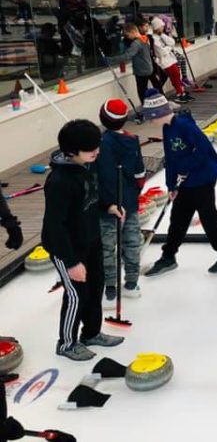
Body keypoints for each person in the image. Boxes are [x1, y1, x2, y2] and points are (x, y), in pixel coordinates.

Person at [41, 119, 126, 360]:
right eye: (91, 149)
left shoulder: (86, 166)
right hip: (67, 248)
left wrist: (109, 206)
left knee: (95, 288)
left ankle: (91, 333)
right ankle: (67, 343)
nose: (97, 152)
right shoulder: (59, 182)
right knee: (76, 294)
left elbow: (90, 197)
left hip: (91, 239)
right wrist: (71, 262)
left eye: (97, 146)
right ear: (72, 152)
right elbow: (54, 226)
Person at [142, 90, 217, 277]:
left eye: (151, 118)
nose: (150, 122)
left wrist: (185, 169)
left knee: (208, 216)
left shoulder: (185, 126)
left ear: (159, 114)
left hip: (203, 177)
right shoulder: (167, 128)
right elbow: (171, 158)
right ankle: (168, 256)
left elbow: (203, 151)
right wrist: (171, 186)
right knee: (178, 217)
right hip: (185, 181)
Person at [96, 99, 145, 305]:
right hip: (129, 203)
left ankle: (109, 288)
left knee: (107, 246)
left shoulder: (98, 145)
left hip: (106, 206)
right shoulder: (133, 141)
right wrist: (133, 193)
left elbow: (95, 177)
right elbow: (140, 174)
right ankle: (132, 283)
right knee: (131, 242)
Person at [109, 23, 155, 116]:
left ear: (133, 32)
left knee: (142, 92)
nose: (127, 37)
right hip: (148, 67)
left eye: (127, 35)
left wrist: (111, 59)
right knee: (145, 90)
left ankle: (147, 111)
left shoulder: (136, 43)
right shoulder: (145, 39)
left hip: (141, 71)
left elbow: (128, 55)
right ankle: (149, 108)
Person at [150, 17, 191, 104]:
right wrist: (169, 48)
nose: (163, 28)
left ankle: (180, 92)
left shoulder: (162, 35)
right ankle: (178, 93)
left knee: (176, 76)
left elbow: (172, 42)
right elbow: (161, 52)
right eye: (161, 27)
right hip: (164, 62)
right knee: (173, 76)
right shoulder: (154, 39)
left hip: (171, 59)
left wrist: (163, 37)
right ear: (157, 27)